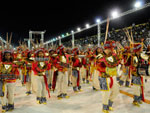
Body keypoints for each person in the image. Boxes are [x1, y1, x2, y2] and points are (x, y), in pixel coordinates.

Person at [97, 40, 120, 113]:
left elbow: (117, 62)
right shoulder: (100, 56)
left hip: (112, 76)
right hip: (104, 77)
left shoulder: (113, 55)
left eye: (113, 48)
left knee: (116, 91)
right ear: (108, 48)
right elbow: (98, 67)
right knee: (105, 93)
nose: (113, 49)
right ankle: (104, 107)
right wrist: (107, 69)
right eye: (112, 48)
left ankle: (109, 104)